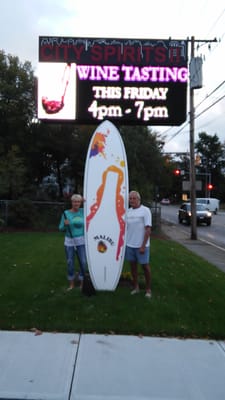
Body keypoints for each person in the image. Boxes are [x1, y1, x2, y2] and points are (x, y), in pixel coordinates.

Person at [125, 190, 152, 298]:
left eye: (134, 198)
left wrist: (143, 245)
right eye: (130, 198)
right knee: (133, 268)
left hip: (141, 246)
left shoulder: (145, 211)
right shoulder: (128, 211)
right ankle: (136, 287)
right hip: (130, 245)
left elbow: (148, 229)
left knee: (145, 267)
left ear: (139, 199)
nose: (132, 200)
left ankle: (148, 289)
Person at [59, 194, 87, 290]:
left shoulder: (83, 211)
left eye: (78, 202)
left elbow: (92, 206)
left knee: (83, 262)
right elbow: (60, 228)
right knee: (70, 262)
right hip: (69, 242)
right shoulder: (66, 213)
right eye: (74, 201)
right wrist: (65, 225)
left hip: (81, 241)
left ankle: (82, 281)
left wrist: (85, 200)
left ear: (80, 203)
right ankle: (71, 283)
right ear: (71, 202)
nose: (76, 203)